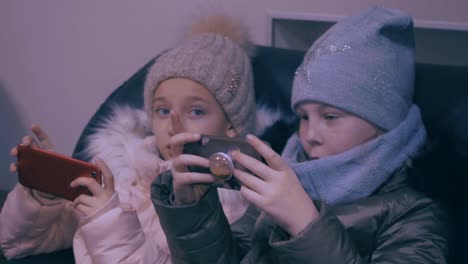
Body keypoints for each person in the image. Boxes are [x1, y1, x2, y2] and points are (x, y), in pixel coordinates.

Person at [151, 6, 448, 263]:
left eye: (331, 117)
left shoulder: (414, 214)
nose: (310, 134)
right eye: (303, 116)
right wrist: (193, 210)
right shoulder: (289, 171)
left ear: (384, 122)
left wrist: (306, 224)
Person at [0, 14, 256, 263]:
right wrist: (46, 195)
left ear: (232, 126)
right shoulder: (126, 177)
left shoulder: (229, 206)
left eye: (196, 111)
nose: (173, 126)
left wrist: (110, 222)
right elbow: (18, 244)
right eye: (163, 111)